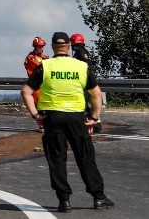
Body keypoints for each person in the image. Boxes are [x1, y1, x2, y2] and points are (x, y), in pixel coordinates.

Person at [21, 32, 114, 212]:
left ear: (53, 47)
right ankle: (99, 197)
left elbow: (26, 91)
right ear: (69, 47)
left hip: (52, 118)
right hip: (76, 117)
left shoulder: (45, 66)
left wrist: (35, 115)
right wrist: (94, 118)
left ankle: (64, 200)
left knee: (57, 158)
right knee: (85, 156)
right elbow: (96, 94)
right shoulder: (80, 66)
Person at [24, 37, 48, 131]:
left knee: (44, 104)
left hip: (44, 83)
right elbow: (39, 66)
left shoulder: (44, 56)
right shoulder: (31, 57)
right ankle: (41, 124)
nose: (41, 48)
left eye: (42, 47)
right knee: (38, 104)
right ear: (35, 46)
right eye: (39, 47)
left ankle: (45, 123)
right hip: (35, 83)